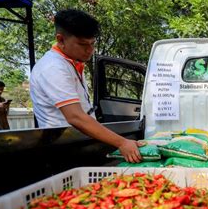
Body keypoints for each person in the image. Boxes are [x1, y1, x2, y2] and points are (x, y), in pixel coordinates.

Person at [30, 9, 142, 162]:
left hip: (79, 142)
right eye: (82, 44)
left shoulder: (73, 62)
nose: (89, 50)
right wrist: (122, 142)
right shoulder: (53, 67)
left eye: (92, 44)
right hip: (62, 150)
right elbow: (76, 117)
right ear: (61, 40)